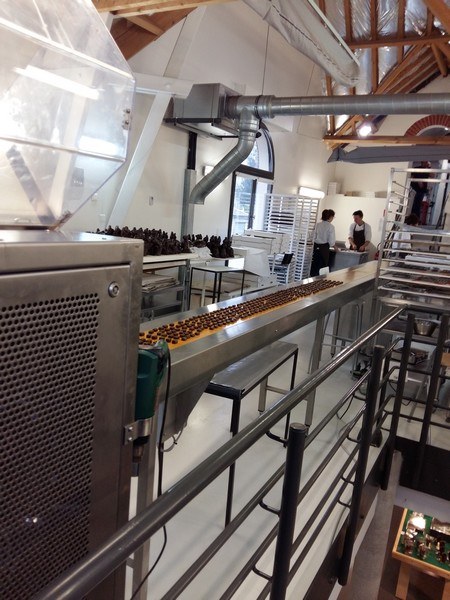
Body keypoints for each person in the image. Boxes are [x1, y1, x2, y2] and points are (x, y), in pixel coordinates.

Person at [310, 209, 338, 276]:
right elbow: (331, 242)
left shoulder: (317, 225)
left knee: (314, 267)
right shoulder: (331, 227)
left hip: (315, 248)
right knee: (322, 269)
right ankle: (320, 281)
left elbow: (312, 236)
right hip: (324, 250)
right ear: (330, 217)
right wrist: (335, 247)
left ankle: (312, 281)